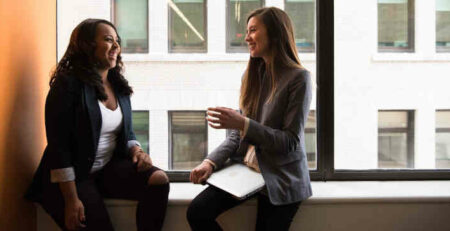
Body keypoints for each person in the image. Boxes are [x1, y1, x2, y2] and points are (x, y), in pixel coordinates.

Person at [25, 19, 169, 231]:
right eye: (108, 40)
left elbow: (126, 132)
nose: (116, 47)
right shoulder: (67, 85)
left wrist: (136, 149)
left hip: (105, 170)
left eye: (117, 41)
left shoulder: (118, 85)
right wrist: (71, 200)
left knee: (159, 179)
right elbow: (59, 148)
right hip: (72, 179)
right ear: (87, 45)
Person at [187, 7, 312, 231]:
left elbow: (289, 141)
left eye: (253, 30)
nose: (246, 38)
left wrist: (243, 123)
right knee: (197, 212)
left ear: (274, 33)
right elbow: (237, 135)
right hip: (249, 172)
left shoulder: (299, 78)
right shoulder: (252, 74)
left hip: (282, 177)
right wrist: (210, 162)